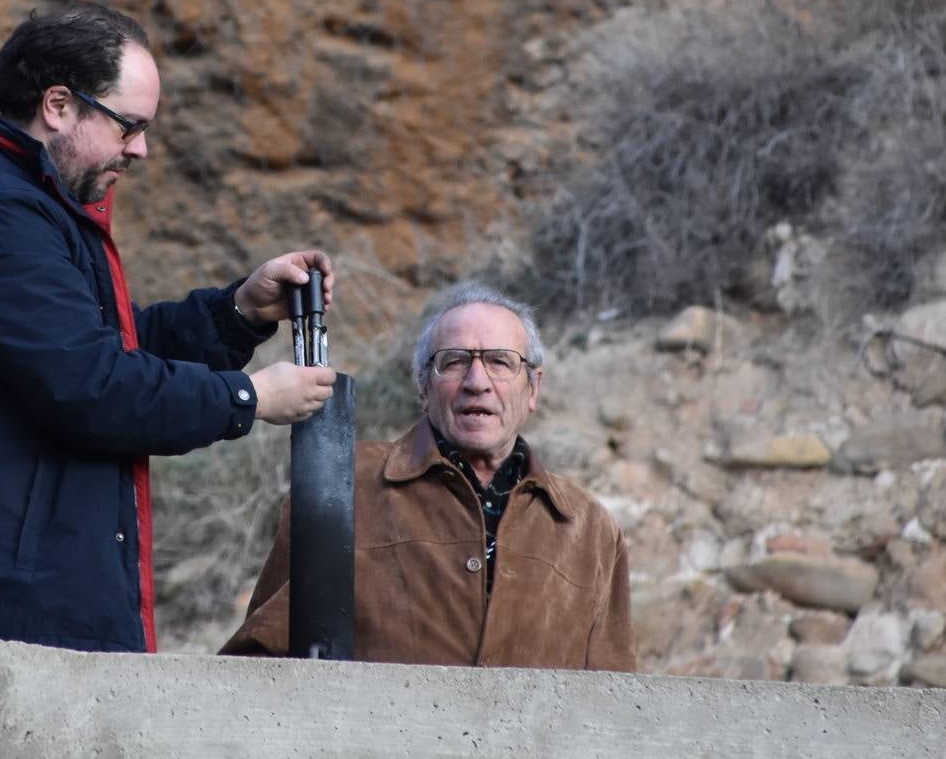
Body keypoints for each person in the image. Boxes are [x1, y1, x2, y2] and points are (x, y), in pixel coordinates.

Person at [0, 3, 339, 653]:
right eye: (128, 126)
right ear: (58, 105)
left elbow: (101, 348)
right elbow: (91, 385)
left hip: (33, 597)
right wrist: (249, 398)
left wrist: (236, 313)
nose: (140, 149)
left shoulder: (29, 202)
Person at [222, 282, 637, 669]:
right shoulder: (342, 486)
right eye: (454, 362)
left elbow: (613, 706)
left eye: (500, 362)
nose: (478, 382)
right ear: (423, 386)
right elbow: (261, 665)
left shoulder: (590, 530)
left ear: (532, 388)